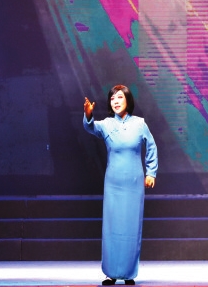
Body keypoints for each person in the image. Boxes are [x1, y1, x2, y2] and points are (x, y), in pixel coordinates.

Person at [84, 85, 157, 286]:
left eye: (119, 97)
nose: (115, 101)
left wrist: (151, 172)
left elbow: (151, 147)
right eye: (112, 98)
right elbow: (91, 127)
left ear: (128, 100)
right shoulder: (107, 124)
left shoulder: (140, 124)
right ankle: (111, 273)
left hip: (134, 182)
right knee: (112, 227)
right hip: (113, 184)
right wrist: (88, 115)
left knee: (131, 228)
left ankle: (129, 273)